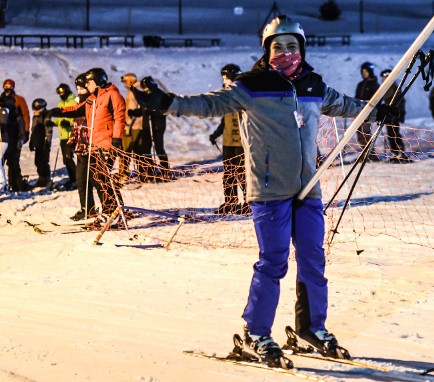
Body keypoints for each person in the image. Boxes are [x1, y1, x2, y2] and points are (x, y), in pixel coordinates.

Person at [132, 15, 393, 368]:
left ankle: (312, 328)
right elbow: (209, 104)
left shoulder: (313, 85)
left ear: (301, 49)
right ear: (267, 50)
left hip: (308, 188)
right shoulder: (251, 85)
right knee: (273, 261)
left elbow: (346, 105)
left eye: (292, 46)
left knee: (314, 260)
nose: (286, 52)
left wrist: (377, 111)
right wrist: (167, 103)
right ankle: (256, 332)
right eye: (278, 46)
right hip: (269, 189)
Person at [51, 68, 126, 229]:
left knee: (102, 180)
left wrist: (117, 140)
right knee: (97, 179)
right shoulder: (93, 97)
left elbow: (120, 118)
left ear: (97, 81)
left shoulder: (113, 95)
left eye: (89, 82)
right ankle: (109, 212)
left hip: (107, 143)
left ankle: (114, 213)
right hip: (94, 144)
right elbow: (78, 109)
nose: (87, 85)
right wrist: (58, 111)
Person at [208, 63, 248, 214]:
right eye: (223, 78)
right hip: (228, 142)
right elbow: (225, 120)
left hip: (241, 142)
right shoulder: (226, 95)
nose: (224, 81)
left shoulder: (243, 94)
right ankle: (230, 201)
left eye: (226, 78)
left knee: (242, 173)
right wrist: (216, 134)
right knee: (229, 173)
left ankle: (247, 202)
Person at [68, 73, 98, 221]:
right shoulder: (78, 103)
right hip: (81, 147)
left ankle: (110, 208)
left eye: (81, 88)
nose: (79, 92)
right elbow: (76, 126)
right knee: (81, 180)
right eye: (77, 89)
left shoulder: (93, 102)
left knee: (96, 180)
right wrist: (71, 143)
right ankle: (87, 209)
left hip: (92, 147)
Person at [0, 79, 31, 192]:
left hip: (14, 135)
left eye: (10, 86)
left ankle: (16, 185)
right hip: (2, 135)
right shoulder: (0, 99)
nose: (8, 88)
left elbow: (25, 116)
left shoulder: (19, 100)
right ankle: (4, 185)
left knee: (13, 162)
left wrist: (25, 132)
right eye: (6, 86)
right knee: (1, 162)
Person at [118, 72, 145, 183]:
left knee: (125, 151)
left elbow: (131, 111)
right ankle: (142, 173)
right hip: (140, 126)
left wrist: (127, 125)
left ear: (130, 81)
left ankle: (123, 174)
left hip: (132, 126)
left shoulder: (132, 93)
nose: (124, 84)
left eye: (125, 81)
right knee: (139, 152)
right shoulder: (140, 91)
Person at [380, 68, 410, 163]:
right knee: (391, 134)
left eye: (385, 78)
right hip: (388, 114)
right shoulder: (386, 87)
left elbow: (400, 101)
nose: (383, 80)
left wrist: (400, 114)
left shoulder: (393, 87)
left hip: (394, 114)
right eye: (383, 78)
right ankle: (395, 153)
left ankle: (400, 153)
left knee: (394, 133)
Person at [354, 61, 381, 160]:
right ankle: (365, 152)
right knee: (359, 132)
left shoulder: (375, 84)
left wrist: (371, 106)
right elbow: (357, 97)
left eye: (366, 71)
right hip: (359, 112)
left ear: (370, 71)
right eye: (363, 71)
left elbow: (378, 99)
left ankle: (371, 154)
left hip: (369, 112)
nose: (364, 73)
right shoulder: (360, 84)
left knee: (365, 132)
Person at [54, 83, 78, 190]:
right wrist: (54, 122)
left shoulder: (73, 101)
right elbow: (60, 117)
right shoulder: (61, 103)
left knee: (68, 158)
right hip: (63, 135)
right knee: (66, 159)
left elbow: (77, 115)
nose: (61, 95)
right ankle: (73, 179)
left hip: (71, 134)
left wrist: (69, 124)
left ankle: (77, 180)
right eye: (60, 93)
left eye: (63, 93)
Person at [28, 99, 54, 188]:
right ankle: (41, 178)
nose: (34, 111)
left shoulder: (46, 117)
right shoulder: (35, 117)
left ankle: (46, 179)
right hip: (37, 142)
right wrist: (31, 141)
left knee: (43, 161)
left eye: (36, 110)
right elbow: (33, 129)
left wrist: (47, 143)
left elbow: (49, 131)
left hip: (44, 142)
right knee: (37, 161)